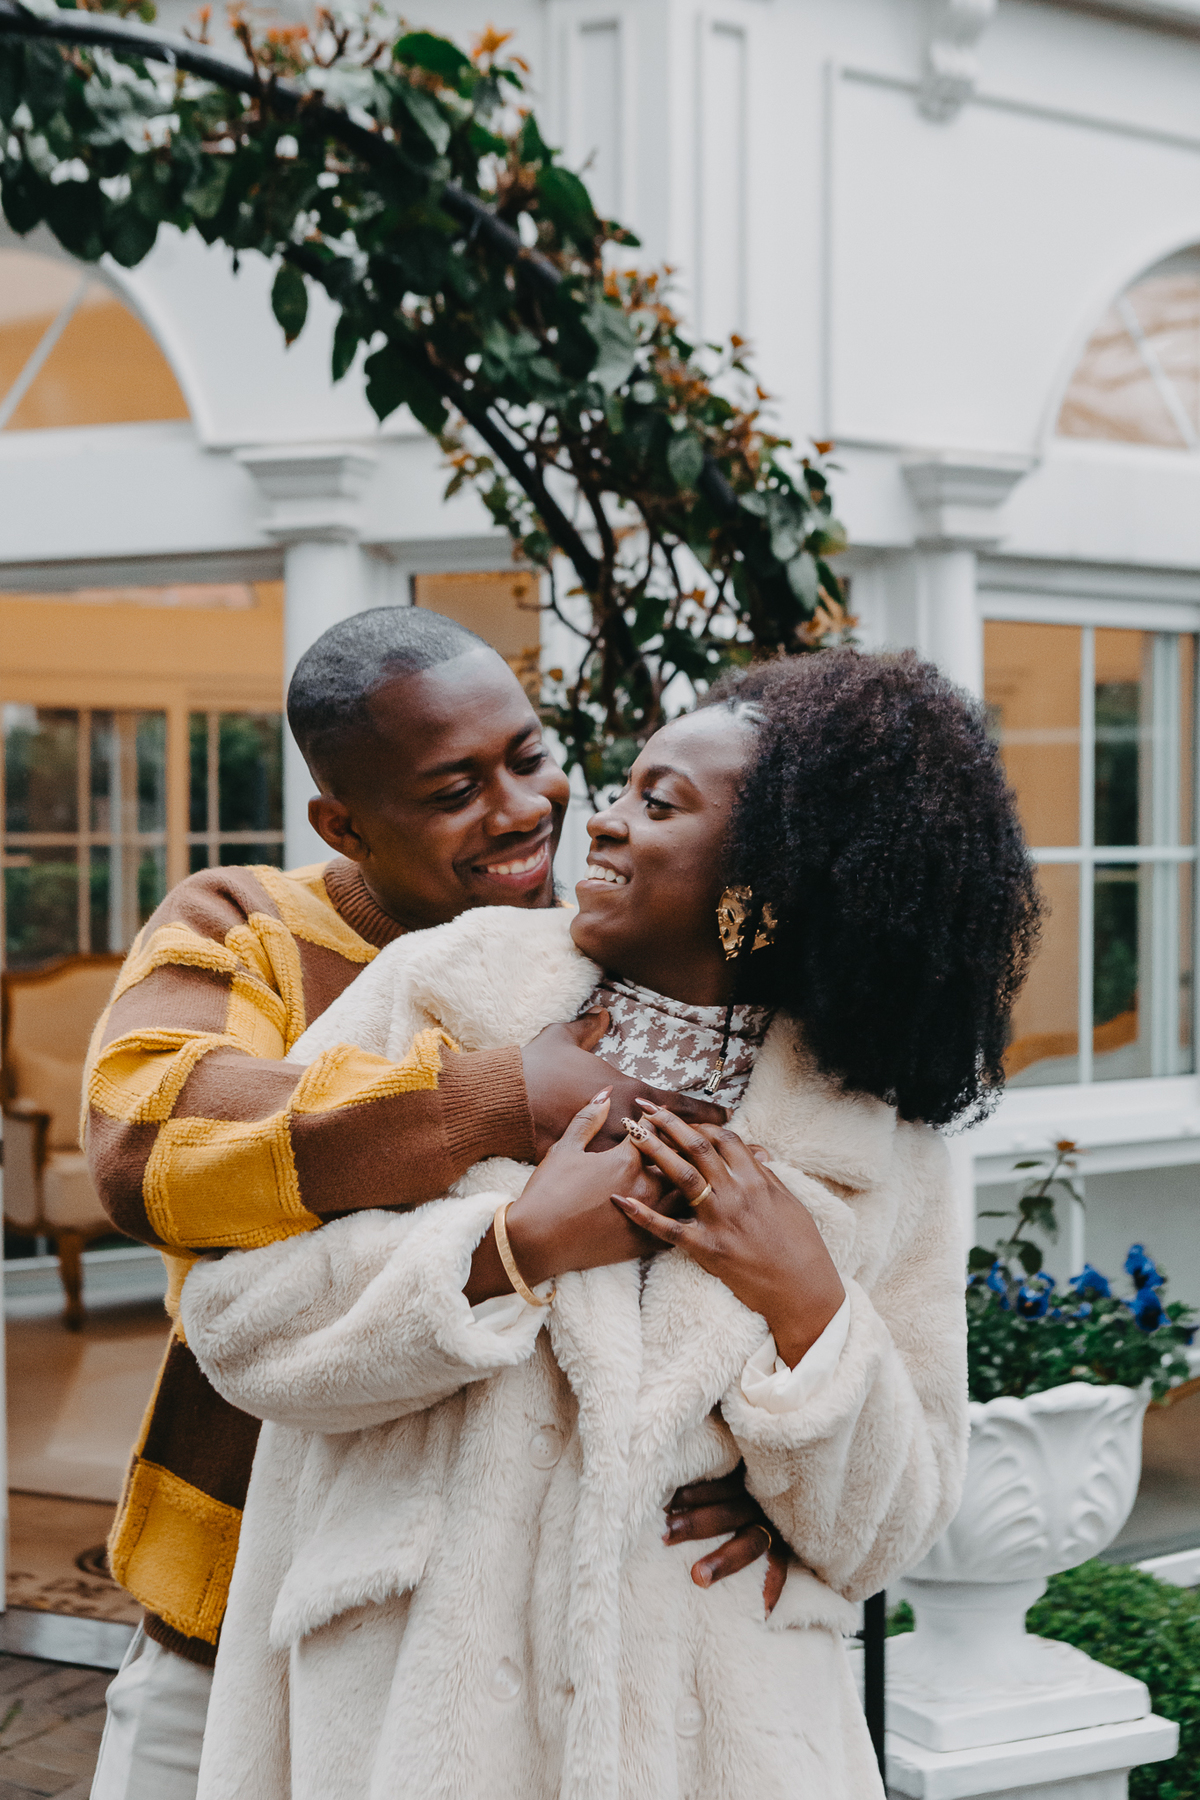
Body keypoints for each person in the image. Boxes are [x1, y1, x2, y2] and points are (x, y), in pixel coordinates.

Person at [180, 649, 1041, 1800]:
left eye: (660, 804)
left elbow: (891, 1530)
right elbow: (237, 1320)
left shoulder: (879, 1147)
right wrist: (510, 1250)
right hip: (425, 1726)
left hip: (718, 1750)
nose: (600, 820)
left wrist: (808, 1303)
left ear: (764, 879)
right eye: (624, 787)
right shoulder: (442, 992)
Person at [83, 607, 772, 1800]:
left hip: (483, 1656)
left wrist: (771, 1474)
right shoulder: (244, 926)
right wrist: (501, 1098)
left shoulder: (614, 945)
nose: (520, 808)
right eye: (455, 789)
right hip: (226, 1600)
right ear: (343, 824)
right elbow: (148, 1140)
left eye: (528, 755)